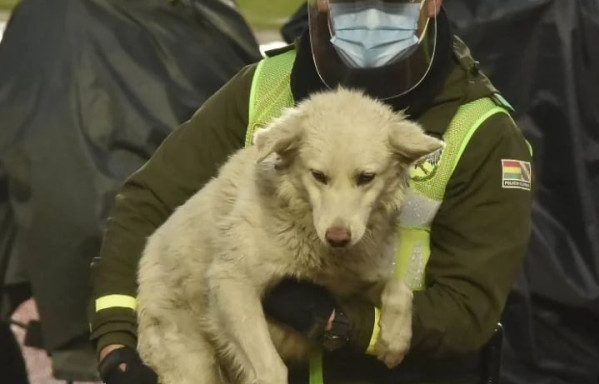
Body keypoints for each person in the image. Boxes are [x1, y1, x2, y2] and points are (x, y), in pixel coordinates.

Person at [88, 1, 533, 383]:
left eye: (392, 2)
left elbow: (470, 310)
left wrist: (345, 323)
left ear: (431, 3)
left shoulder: (479, 132)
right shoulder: (263, 89)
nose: (371, 17)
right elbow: (148, 203)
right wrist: (114, 339)